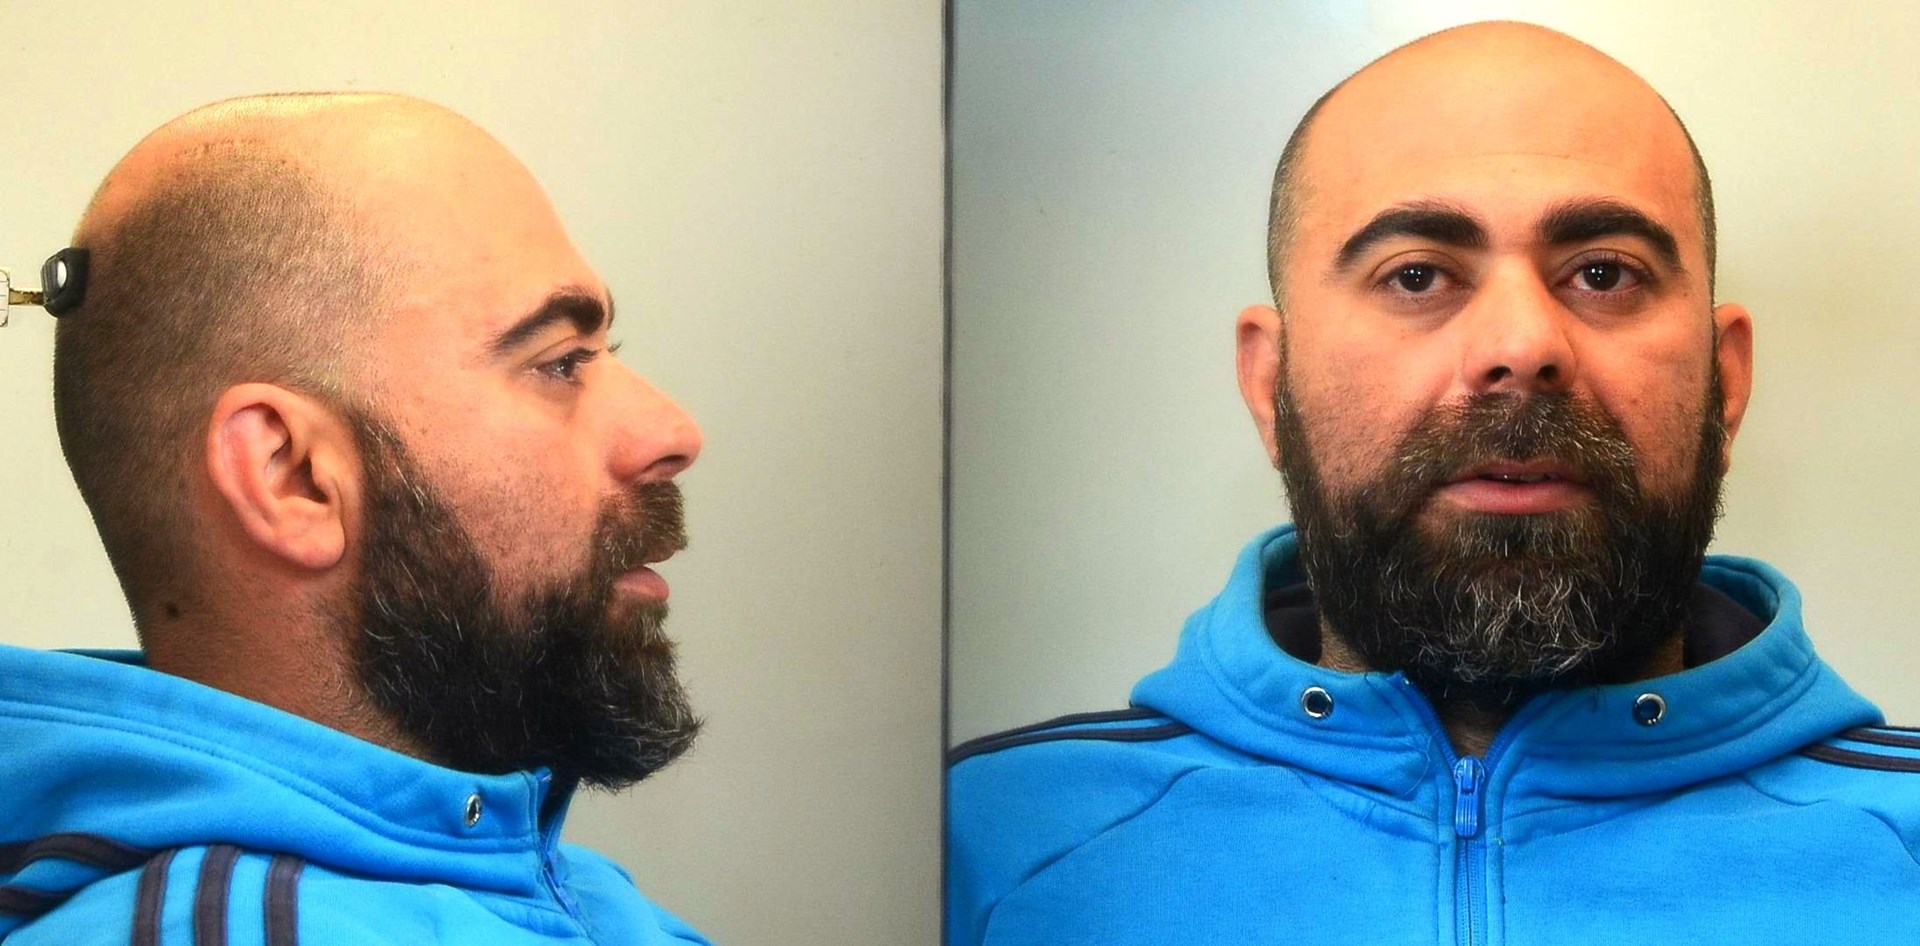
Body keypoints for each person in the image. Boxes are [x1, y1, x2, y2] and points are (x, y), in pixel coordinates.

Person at [947, 21, 1920, 944]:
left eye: (1604, 273)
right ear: (1272, 383)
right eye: (1416, 275)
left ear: (1726, 381)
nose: (1522, 346)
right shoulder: (973, 846)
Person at [0, 94, 710, 944]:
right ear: (292, 477)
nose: (673, 433)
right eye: (560, 364)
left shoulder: (554, 884)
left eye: (604, 354)